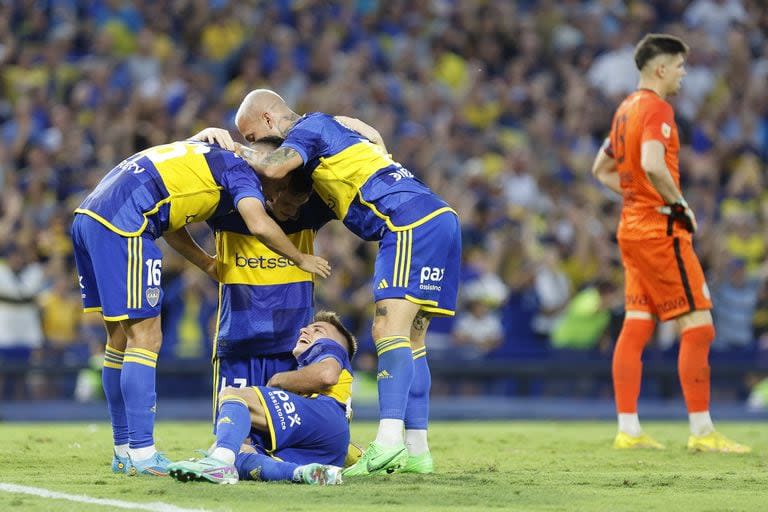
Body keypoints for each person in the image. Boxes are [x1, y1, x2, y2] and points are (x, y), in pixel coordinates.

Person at [224, 89, 461, 475]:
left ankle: (386, 444)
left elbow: (273, 168)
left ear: (268, 121)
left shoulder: (309, 126)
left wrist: (233, 149)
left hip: (405, 221)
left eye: (253, 135)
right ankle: (417, 449)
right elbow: (373, 140)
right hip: (439, 216)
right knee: (414, 340)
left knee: (388, 330)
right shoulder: (332, 136)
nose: (257, 145)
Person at [71, 140, 331, 477]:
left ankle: (124, 450)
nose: (293, 211)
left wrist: (207, 264)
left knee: (119, 341)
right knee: (146, 339)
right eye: (292, 201)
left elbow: (172, 223)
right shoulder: (242, 174)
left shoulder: (210, 155)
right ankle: (142, 453)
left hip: (90, 215)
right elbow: (259, 224)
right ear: (279, 181)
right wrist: (300, 258)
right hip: (127, 221)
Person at [591, 34, 750, 453]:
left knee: (637, 325)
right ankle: (702, 432)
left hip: (630, 229)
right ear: (661, 68)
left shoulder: (625, 109)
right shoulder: (657, 108)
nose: (684, 73)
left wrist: (637, 198)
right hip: (661, 232)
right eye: (680, 66)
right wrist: (679, 205)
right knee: (699, 327)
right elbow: (651, 164)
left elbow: (600, 168)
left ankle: (629, 429)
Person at [167, 311, 357, 486]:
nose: (305, 330)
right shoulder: (309, 379)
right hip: (326, 450)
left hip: (324, 417)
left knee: (233, 394)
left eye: (318, 329)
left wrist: (277, 380)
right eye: (308, 327)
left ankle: (218, 463)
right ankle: (303, 473)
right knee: (235, 452)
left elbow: (326, 375)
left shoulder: (333, 349)